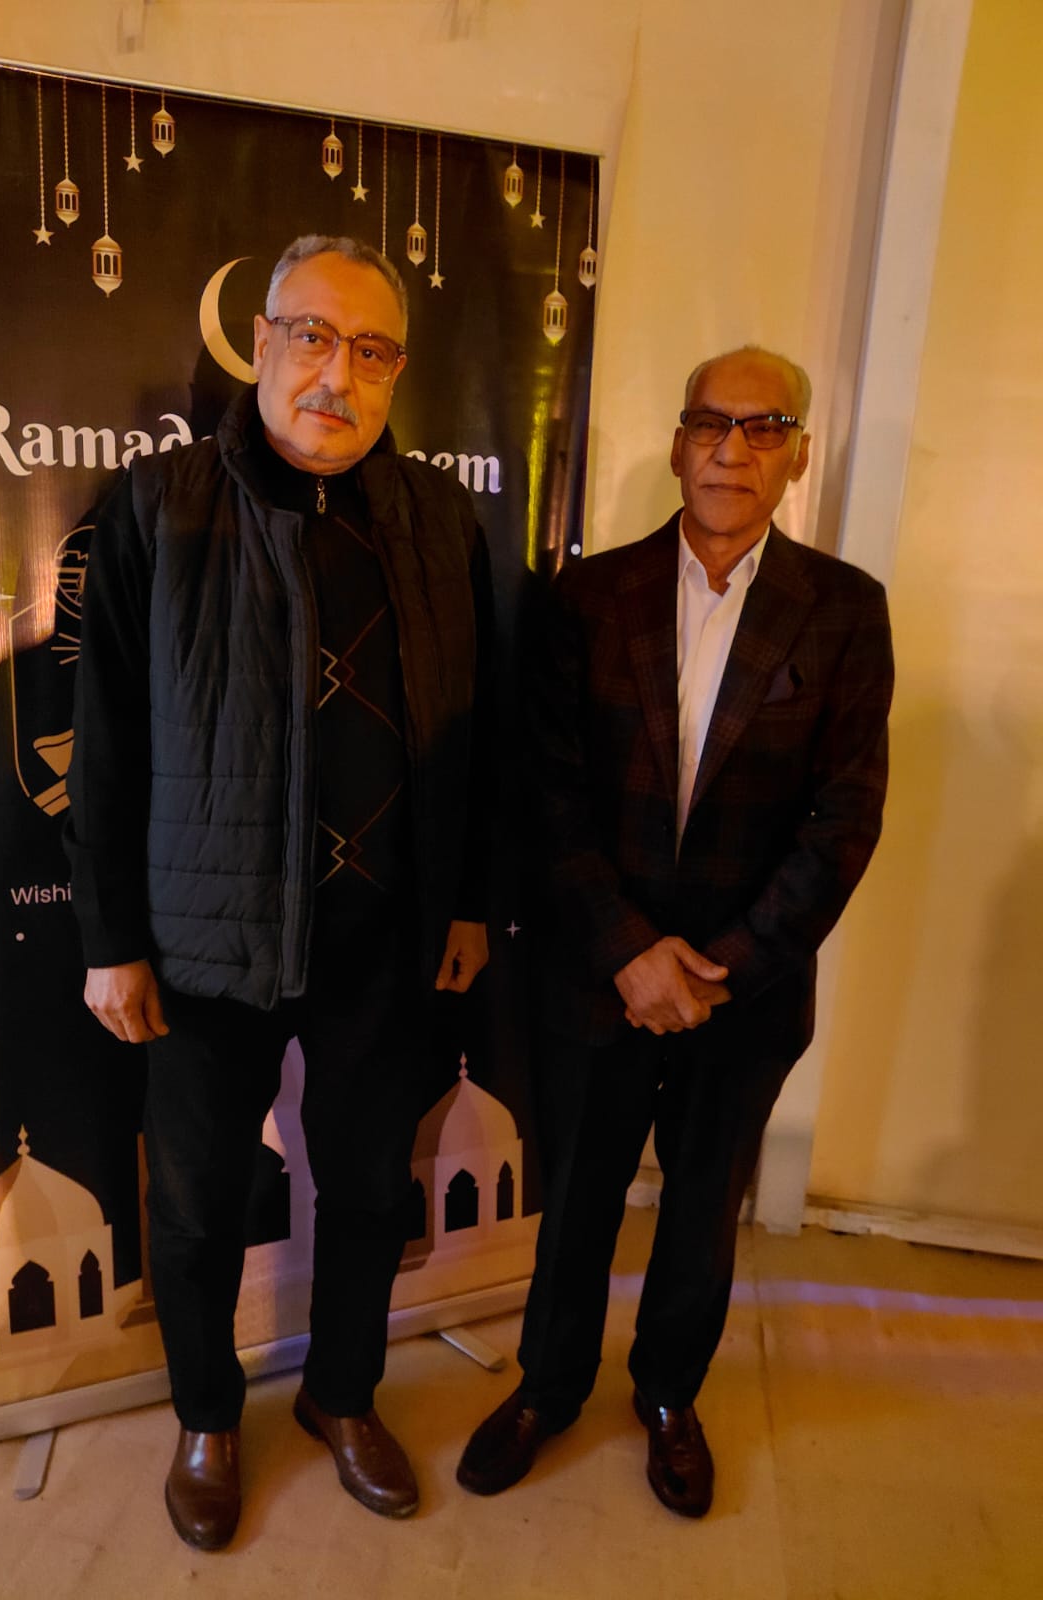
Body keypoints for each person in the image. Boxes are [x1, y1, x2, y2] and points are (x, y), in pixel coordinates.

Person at [66, 235, 493, 1549]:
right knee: (198, 1204)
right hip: (207, 940)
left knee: (367, 1189)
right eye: (312, 337)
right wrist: (111, 938)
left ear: (396, 370)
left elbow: (472, 732)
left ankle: (342, 1395)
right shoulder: (160, 504)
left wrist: (465, 900)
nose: (336, 375)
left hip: (384, 938)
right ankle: (207, 1417)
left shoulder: (438, 519)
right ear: (261, 343)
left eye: (370, 350)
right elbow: (107, 740)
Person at [457, 347, 893, 1518]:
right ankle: (549, 1386)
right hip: (596, 974)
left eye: (764, 427)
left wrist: (723, 967)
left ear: (798, 455)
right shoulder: (587, 596)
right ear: (676, 443)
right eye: (710, 422)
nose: (732, 449)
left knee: (702, 1211)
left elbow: (845, 819)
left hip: (744, 994)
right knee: (577, 1201)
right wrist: (627, 951)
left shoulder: (846, 610)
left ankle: (667, 1397)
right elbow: (545, 795)